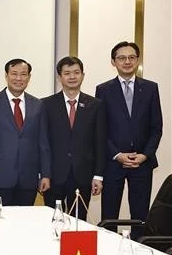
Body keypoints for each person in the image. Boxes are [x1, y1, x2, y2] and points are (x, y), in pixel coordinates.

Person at [95, 41, 162, 237]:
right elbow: (101, 129)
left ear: (137, 60)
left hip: (142, 163)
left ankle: (140, 254)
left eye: (131, 57)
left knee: (140, 216)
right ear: (113, 62)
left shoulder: (150, 88)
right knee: (109, 216)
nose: (127, 61)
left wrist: (145, 155)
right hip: (113, 162)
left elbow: (156, 127)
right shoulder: (104, 90)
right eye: (121, 58)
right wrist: (116, 154)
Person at [0, 58, 51, 206]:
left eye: (23, 74)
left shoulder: (38, 105)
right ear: (6, 76)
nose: (19, 78)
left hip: (28, 178)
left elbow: (43, 142)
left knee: (25, 223)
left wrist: (45, 174)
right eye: (14, 74)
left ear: (29, 77)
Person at [42, 56, 106, 220]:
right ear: (59, 77)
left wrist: (98, 176)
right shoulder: (46, 104)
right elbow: (43, 143)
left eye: (76, 72)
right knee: (52, 220)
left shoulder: (95, 105)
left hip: (83, 175)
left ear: (83, 75)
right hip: (53, 176)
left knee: (79, 222)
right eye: (67, 73)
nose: (72, 77)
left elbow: (100, 142)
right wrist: (43, 174)